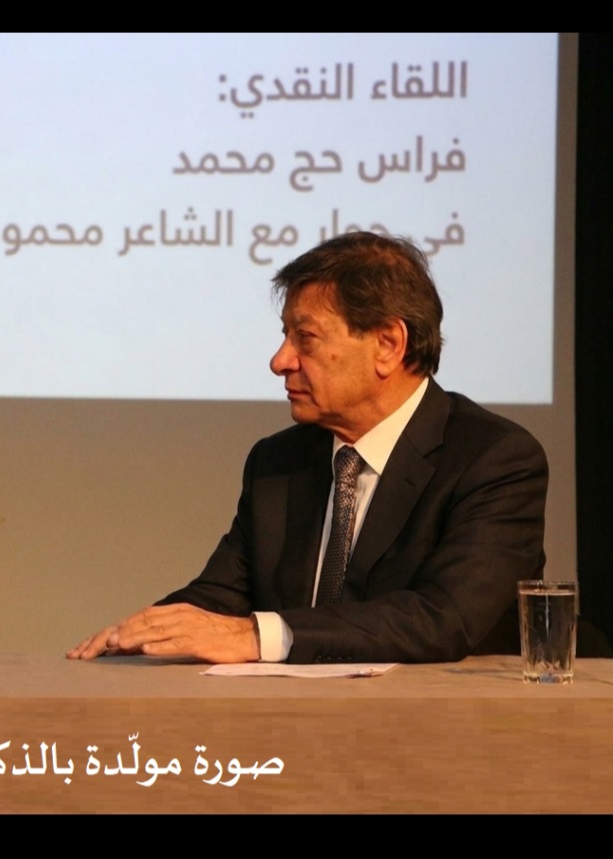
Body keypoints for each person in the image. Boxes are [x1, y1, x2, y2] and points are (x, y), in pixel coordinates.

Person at [69, 232, 546, 664]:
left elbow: (442, 619)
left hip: (439, 722)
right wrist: (140, 636)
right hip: (289, 721)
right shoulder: (278, 462)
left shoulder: (493, 460)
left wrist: (260, 636)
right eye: (285, 335)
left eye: (306, 338)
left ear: (387, 344)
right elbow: (221, 599)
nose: (280, 361)